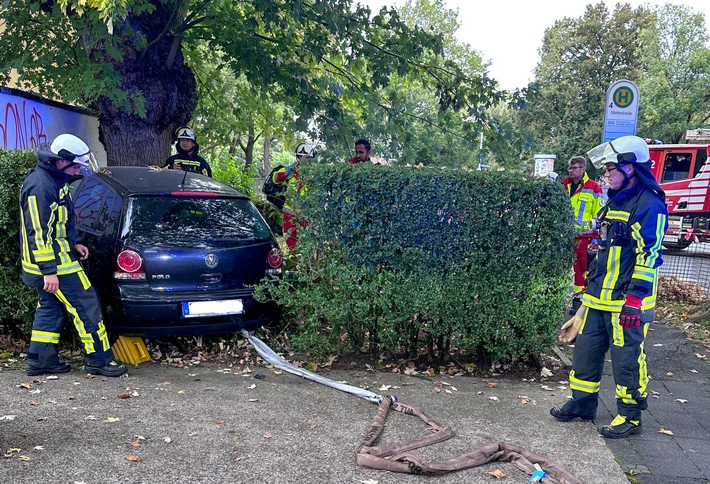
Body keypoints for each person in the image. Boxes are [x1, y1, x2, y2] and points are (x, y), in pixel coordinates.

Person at [550, 136, 668, 439]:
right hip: (598, 299)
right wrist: (585, 302)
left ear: (632, 168)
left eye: (612, 168)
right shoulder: (615, 201)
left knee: (627, 361)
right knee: (585, 355)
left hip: (625, 304)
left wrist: (634, 300)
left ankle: (630, 416)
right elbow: (601, 249)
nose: (607, 174)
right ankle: (582, 404)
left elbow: (649, 256)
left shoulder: (649, 204)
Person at [20, 134, 127, 377]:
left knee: (51, 309)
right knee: (87, 305)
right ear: (60, 161)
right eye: (76, 164)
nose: (79, 169)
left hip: (53, 261)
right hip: (54, 266)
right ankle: (99, 360)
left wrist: (75, 243)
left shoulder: (53, 179)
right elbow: (37, 232)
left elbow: (61, 221)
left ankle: (41, 361)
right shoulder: (41, 186)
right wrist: (49, 271)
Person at [563, 156, 603, 314]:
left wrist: (595, 238)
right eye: (570, 168)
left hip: (583, 237)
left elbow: (598, 215)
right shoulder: (563, 185)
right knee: (558, 270)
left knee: (581, 270)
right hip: (564, 236)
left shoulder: (594, 188)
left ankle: (578, 301)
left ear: (583, 169)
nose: (571, 171)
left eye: (574, 168)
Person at [272, 143, 313, 249]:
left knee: (308, 242)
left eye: (307, 157)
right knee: (291, 241)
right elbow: (275, 178)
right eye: (301, 157)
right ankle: (293, 261)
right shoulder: (290, 171)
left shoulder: (314, 173)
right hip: (290, 214)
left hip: (307, 214)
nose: (304, 160)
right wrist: (286, 172)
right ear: (297, 158)